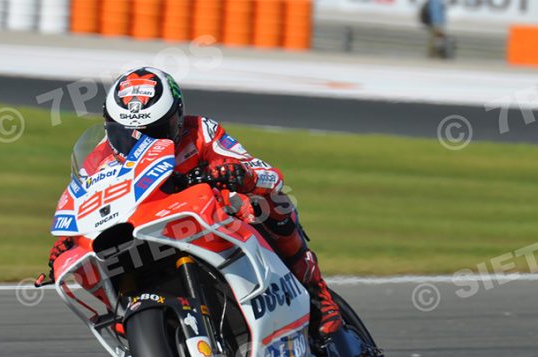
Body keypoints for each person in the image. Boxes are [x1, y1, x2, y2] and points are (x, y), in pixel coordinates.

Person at [48, 67, 343, 337]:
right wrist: (68, 241)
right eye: (126, 134)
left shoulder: (201, 131)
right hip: (146, 230)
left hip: (208, 219)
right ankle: (125, 315)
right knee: (87, 262)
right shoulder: (97, 158)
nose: (141, 143)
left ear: (176, 117)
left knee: (271, 201)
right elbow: (85, 203)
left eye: (154, 131)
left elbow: (267, 173)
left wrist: (241, 174)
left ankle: (316, 292)